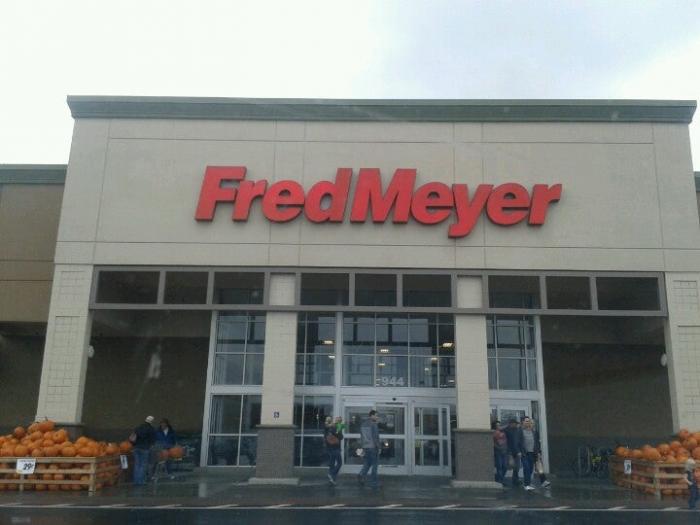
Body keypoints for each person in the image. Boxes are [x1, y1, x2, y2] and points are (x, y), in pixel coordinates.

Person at [521, 416, 549, 491]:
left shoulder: (534, 432)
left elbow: (537, 443)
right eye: (528, 422)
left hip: (533, 453)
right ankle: (526, 484)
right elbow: (519, 442)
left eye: (531, 422)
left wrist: (538, 452)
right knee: (527, 468)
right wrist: (519, 451)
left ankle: (530, 483)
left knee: (531, 469)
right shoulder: (521, 431)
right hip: (525, 453)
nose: (530, 424)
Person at [358, 409, 380, 488]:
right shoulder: (374, 424)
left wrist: (362, 447)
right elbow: (375, 437)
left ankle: (361, 474)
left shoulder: (363, 424)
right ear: (372, 416)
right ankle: (374, 482)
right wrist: (379, 447)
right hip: (373, 447)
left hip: (365, 447)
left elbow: (361, 436)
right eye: (376, 415)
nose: (377, 417)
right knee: (375, 465)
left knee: (367, 463)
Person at [132, 415, 156, 485]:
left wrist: (135, 445)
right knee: (143, 465)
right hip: (145, 448)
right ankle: (141, 481)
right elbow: (152, 440)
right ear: (152, 422)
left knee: (137, 464)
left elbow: (132, 438)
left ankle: (136, 481)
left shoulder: (138, 428)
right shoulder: (151, 429)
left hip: (136, 448)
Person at [503, 418, 524, 487]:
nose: (516, 425)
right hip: (509, 452)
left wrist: (520, 451)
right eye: (515, 424)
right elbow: (507, 442)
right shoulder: (506, 430)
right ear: (511, 424)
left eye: (516, 424)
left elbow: (519, 441)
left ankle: (515, 480)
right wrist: (509, 452)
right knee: (506, 466)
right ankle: (500, 480)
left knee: (516, 467)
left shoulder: (517, 430)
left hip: (516, 452)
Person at [324, 416, 343, 484]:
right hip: (335, 448)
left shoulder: (328, 427)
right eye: (339, 420)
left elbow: (326, 437)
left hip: (330, 448)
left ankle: (332, 480)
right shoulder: (336, 427)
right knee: (339, 463)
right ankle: (331, 474)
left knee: (332, 463)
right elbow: (341, 437)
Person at [492, 420, 508, 484]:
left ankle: (500, 478)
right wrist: (498, 448)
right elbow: (492, 442)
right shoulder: (493, 433)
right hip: (498, 452)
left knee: (505, 467)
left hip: (504, 452)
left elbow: (506, 441)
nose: (498, 426)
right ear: (495, 426)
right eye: (497, 425)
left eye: (499, 425)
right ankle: (500, 481)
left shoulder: (503, 432)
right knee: (499, 467)